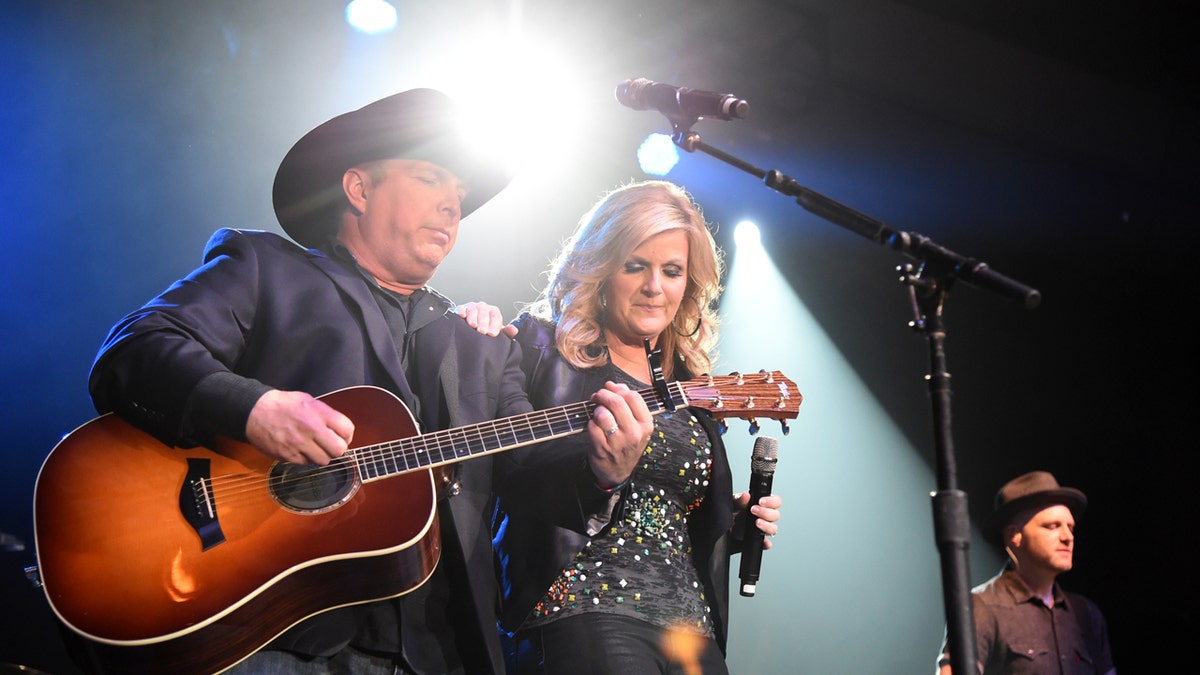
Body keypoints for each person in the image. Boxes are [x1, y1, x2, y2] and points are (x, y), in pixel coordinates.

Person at [86, 88, 650, 675]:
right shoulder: (267, 268)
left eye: (459, 195)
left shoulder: (481, 344)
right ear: (358, 188)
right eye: (432, 179)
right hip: (272, 634)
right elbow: (135, 350)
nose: (453, 207)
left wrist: (601, 476)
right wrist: (256, 409)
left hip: (437, 649)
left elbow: (524, 483)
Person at [492, 180, 784, 675]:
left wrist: (730, 525)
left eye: (671, 271)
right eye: (636, 266)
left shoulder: (691, 387)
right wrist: (601, 475)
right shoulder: (540, 346)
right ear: (601, 269)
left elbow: (669, 514)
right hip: (580, 604)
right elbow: (511, 470)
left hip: (689, 626)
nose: (655, 287)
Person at [937, 471, 1117, 675]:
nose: (1067, 537)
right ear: (1014, 535)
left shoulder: (1087, 614)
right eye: (1053, 526)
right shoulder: (982, 607)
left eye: (1070, 528)